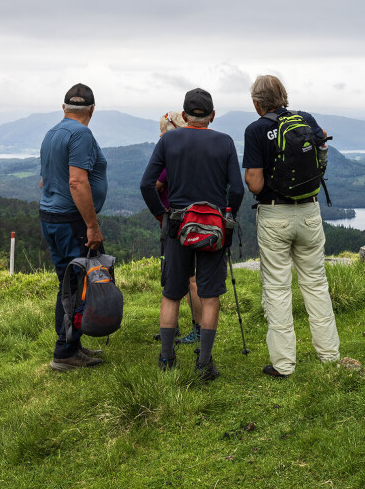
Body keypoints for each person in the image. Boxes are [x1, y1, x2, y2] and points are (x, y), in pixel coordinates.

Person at [140, 88, 244, 381]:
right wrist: (226, 217)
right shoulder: (224, 142)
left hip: (176, 226)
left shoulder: (169, 140)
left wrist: (162, 217)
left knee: (172, 294)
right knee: (210, 296)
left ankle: (167, 359)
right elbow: (237, 190)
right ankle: (204, 364)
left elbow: (147, 184)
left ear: (185, 116)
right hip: (213, 229)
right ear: (212, 116)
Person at [243, 74, 340, 378]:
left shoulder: (256, 129)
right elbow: (322, 158)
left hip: (275, 215)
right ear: (284, 95)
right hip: (309, 210)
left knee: (277, 288)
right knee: (316, 284)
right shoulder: (306, 119)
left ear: (257, 103)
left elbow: (255, 181)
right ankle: (329, 355)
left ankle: (284, 364)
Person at [39, 83, 108, 372]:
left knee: (68, 284)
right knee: (77, 285)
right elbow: (77, 181)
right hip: (72, 221)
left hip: (51, 217)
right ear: (92, 109)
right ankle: (65, 352)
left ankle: (72, 343)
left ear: (64, 107)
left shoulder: (52, 132)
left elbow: (45, 181)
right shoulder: (81, 134)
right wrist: (92, 225)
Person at [155, 110, 201, 345]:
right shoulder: (191, 149)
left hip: (174, 219)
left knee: (185, 278)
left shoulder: (170, 153)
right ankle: (182, 328)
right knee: (182, 278)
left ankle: (194, 328)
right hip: (193, 218)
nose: (160, 134)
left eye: (162, 130)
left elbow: (155, 183)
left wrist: (158, 213)